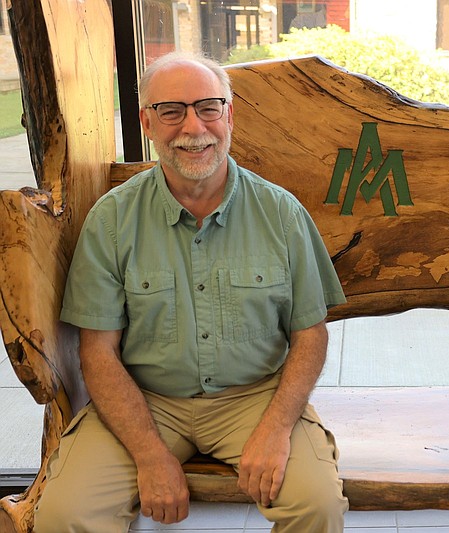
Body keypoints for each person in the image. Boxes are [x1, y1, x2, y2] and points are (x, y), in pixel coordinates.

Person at [33, 51, 349, 532]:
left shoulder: (280, 214)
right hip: (146, 401)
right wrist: (150, 455)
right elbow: (97, 353)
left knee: (316, 505)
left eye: (207, 108)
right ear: (146, 122)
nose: (192, 128)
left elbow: (310, 335)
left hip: (255, 398)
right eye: (171, 111)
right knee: (64, 514)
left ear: (229, 115)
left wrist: (277, 427)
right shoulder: (112, 220)